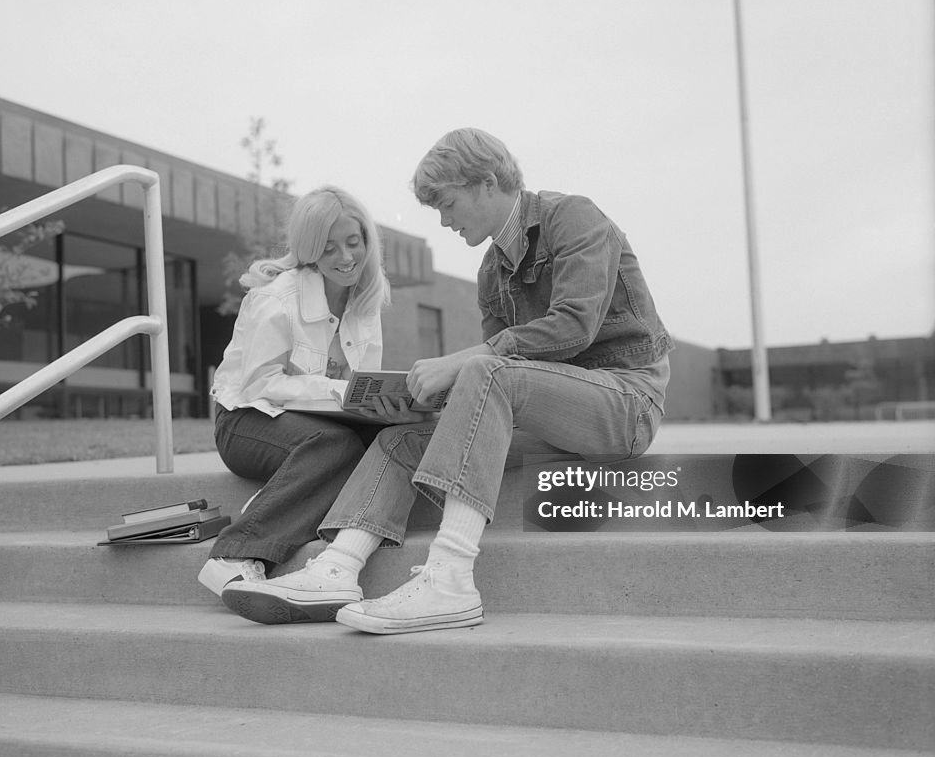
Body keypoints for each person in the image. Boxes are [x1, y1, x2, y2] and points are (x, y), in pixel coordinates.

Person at [219, 128, 674, 633]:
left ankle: (451, 578)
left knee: (484, 369)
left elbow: (572, 326)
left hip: (624, 403)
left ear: (485, 183)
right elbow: (492, 389)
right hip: (546, 414)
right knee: (402, 438)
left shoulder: (574, 218)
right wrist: (426, 402)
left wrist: (461, 364)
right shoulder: (490, 272)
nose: (444, 219)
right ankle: (335, 567)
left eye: (448, 204)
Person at [197, 185, 398, 599]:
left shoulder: (366, 303)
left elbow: (361, 389)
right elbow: (260, 385)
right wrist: (337, 392)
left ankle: (334, 542)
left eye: (353, 242)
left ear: (366, 240)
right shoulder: (276, 299)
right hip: (244, 421)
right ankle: (235, 557)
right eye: (328, 249)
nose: (345, 258)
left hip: (323, 426)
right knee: (334, 444)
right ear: (309, 252)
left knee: (378, 440)